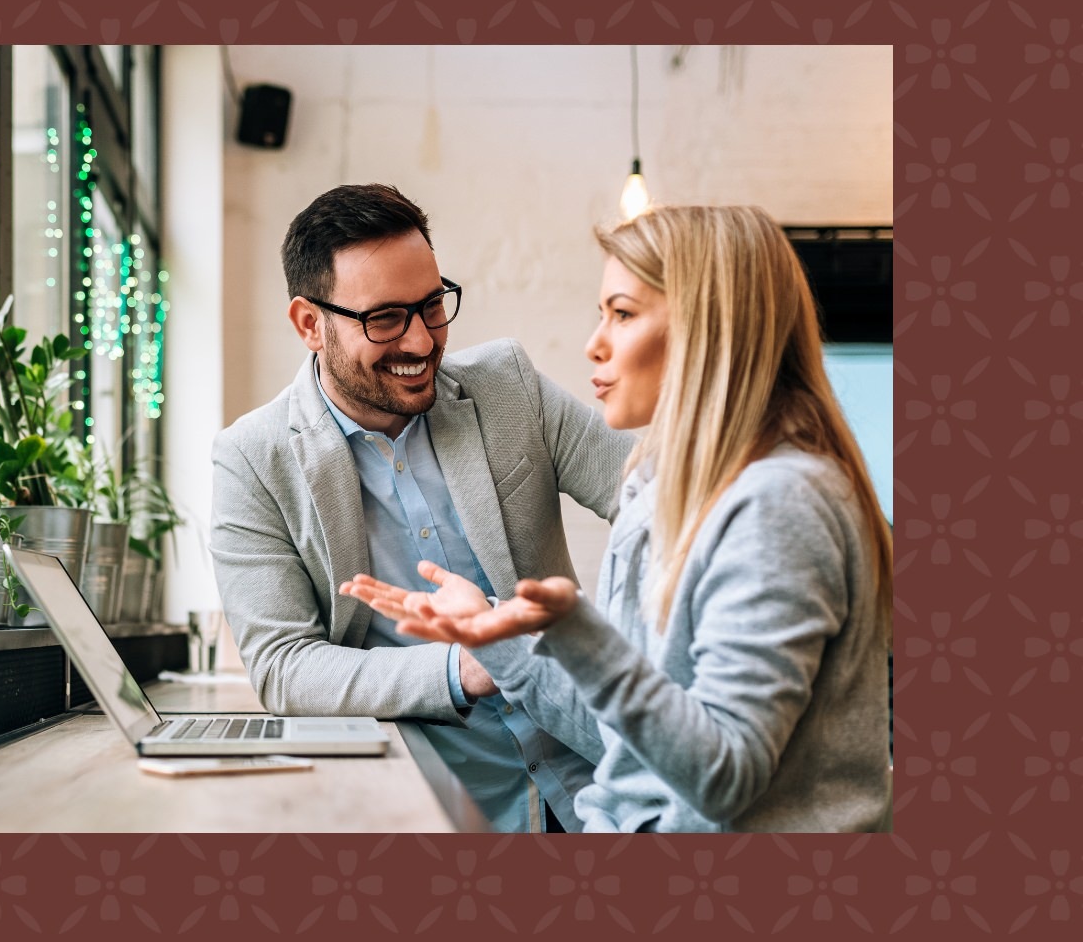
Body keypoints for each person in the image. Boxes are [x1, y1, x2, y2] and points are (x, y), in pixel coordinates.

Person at [343, 204, 894, 832]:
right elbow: (626, 744)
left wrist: (586, 637)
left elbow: (724, 777)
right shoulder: (659, 489)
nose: (594, 343)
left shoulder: (777, 505)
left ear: (709, 329)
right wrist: (493, 636)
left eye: (623, 314)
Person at [209, 184, 636, 832]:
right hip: (430, 807)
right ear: (308, 323)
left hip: (594, 789)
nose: (420, 341)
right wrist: (466, 664)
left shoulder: (507, 387)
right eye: (384, 318)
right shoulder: (251, 459)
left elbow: (659, 500)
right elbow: (285, 667)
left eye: (432, 305)